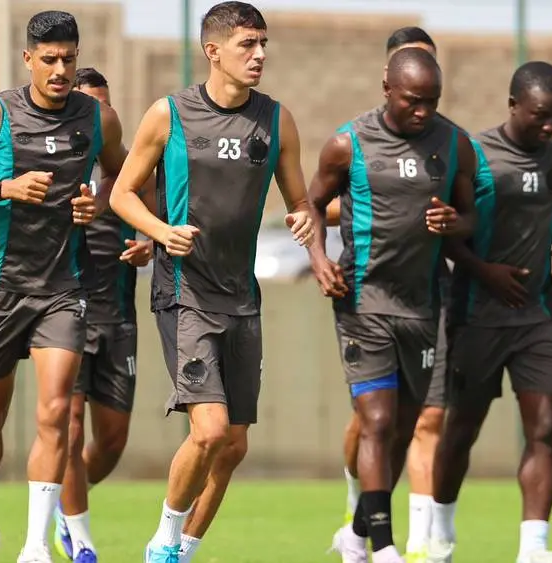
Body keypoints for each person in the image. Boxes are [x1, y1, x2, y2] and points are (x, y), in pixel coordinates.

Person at [109, 3, 319, 562]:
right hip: (185, 292)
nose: (260, 54)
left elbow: (301, 201)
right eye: (248, 44)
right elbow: (121, 194)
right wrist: (161, 232)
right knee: (209, 430)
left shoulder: (277, 121)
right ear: (213, 51)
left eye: (263, 43)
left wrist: (303, 217)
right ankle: (163, 540)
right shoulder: (169, 115)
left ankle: (184, 550)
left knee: (232, 445)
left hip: (242, 298)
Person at [0, 10, 128, 563]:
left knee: (56, 410)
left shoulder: (98, 119)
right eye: (50, 60)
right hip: (1, 288)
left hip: (64, 288)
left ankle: (36, 545)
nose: (60, 70)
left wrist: (97, 202)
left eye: (69, 59)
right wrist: (4, 188)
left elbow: (123, 174)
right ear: (28, 60)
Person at [307, 47, 477, 563]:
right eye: (412, 101)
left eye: (432, 101)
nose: (423, 111)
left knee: (403, 430)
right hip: (363, 301)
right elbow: (311, 204)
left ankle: (357, 534)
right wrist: (319, 259)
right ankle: (384, 548)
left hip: (422, 307)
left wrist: (455, 223)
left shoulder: (455, 144)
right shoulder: (348, 143)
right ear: (387, 89)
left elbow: (470, 217)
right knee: (377, 421)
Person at [429, 61, 552, 563]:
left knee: (545, 427)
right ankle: (439, 537)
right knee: (463, 428)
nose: (549, 126)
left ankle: (534, 548)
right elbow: (448, 232)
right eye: (540, 115)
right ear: (513, 105)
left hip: (539, 316)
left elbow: (549, 216)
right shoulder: (474, 155)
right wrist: (484, 271)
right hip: (478, 314)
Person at [52, 68, 155, 563]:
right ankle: (81, 538)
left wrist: (148, 242)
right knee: (69, 428)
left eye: (106, 105)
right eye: (91, 104)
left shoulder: (130, 168)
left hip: (117, 317)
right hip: (65, 312)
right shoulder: (52, 162)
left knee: (111, 442)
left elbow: (154, 217)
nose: (100, 113)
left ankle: (62, 502)